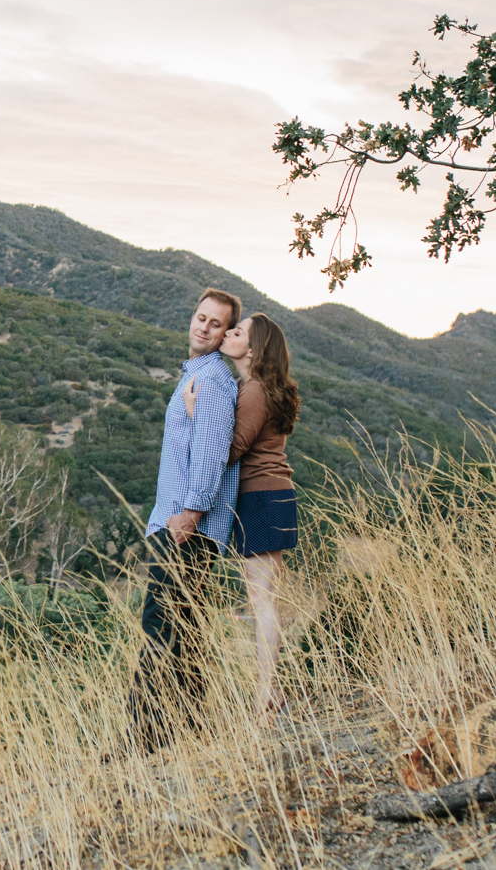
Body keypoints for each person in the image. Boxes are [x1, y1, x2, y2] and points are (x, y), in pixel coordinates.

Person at [129, 286, 243, 748]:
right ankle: (193, 733)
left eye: (216, 324)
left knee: (161, 629)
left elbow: (213, 454)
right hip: (180, 523)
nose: (204, 327)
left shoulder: (212, 379)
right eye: (201, 317)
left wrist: (190, 513)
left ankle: (141, 740)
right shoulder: (197, 376)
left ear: (224, 333)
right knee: (185, 632)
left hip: (184, 528)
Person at [186, 311, 301, 716]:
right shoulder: (260, 389)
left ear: (253, 349)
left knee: (261, 601)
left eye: (237, 331)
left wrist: (194, 413)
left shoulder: (253, 391)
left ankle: (266, 694)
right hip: (274, 497)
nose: (228, 334)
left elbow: (229, 449)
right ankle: (272, 690)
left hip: (261, 498)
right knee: (266, 599)